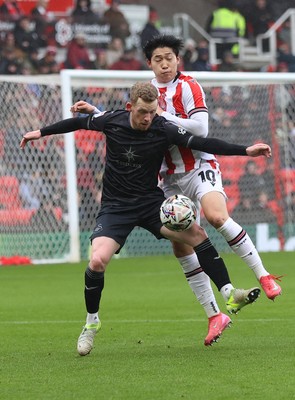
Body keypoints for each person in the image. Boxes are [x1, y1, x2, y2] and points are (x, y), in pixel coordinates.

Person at [20, 82, 271, 355]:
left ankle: (229, 294)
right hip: (116, 208)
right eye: (142, 112)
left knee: (198, 234)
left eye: (152, 112)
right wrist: (40, 132)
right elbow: (79, 122)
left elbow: (201, 142)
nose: (147, 118)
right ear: (130, 107)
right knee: (96, 260)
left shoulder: (163, 127)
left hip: (152, 204)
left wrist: (245, 150)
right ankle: (91, 324)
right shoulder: (112, 120)